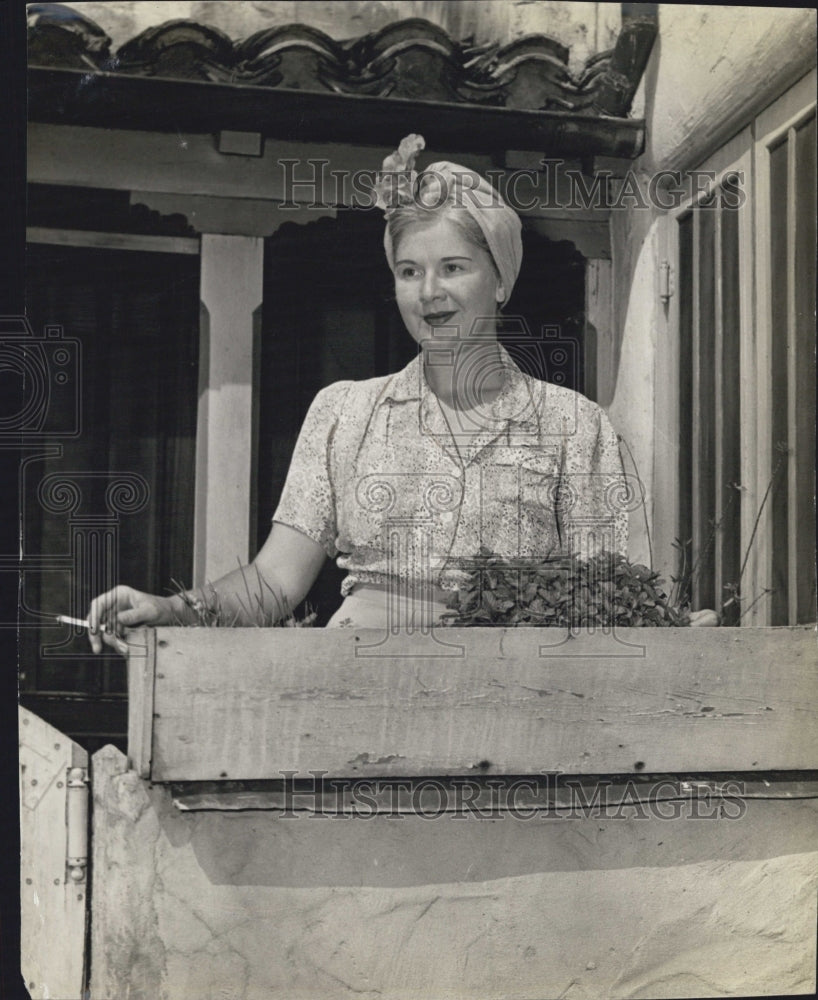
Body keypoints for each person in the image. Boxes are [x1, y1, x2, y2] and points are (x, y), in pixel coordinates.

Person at [87, 134, 630, 652]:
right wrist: (172, 609)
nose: (430, 293)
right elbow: (274, 581)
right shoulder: (344, 412)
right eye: (409, 271)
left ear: (502, 279)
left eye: (454, 268)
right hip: (353, 682)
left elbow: (602, 598)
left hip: (508, 697)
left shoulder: (574, 426)